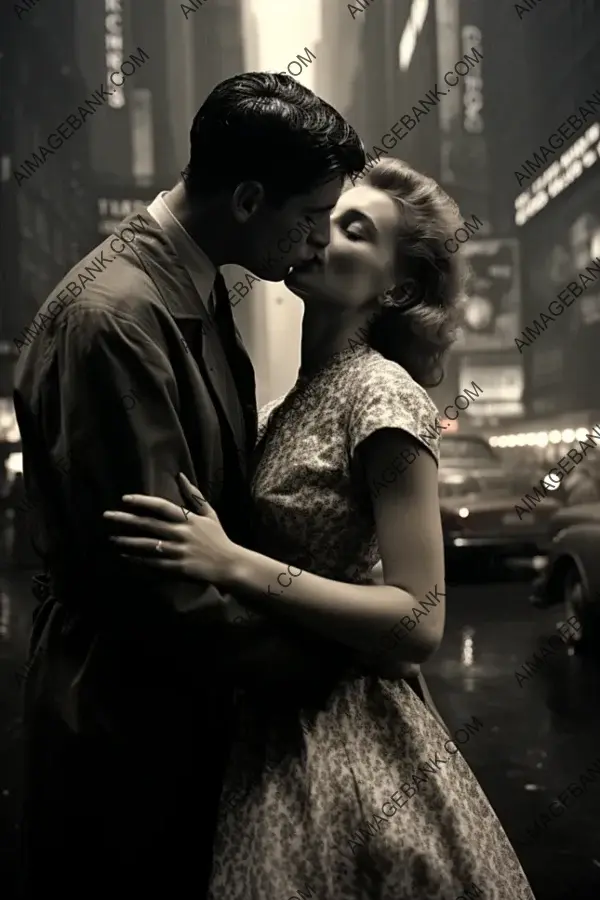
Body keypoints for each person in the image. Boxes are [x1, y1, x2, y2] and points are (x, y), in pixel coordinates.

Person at [104, 159, 537, 898]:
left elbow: (419, 620)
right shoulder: (291, 402)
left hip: (348, 745)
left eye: (354, 229)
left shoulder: (383, 395)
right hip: (275, 721)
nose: (319, 233)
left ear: (395, 288)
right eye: (324, 214)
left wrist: (235, 565)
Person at [13, 72, 367, 899]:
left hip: (171, 709)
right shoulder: (116, 318)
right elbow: (163, 578)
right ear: (248, 199)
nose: (316, 241)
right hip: (126, 726)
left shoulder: (189, 283)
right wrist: (333, 657)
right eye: (309, 216)